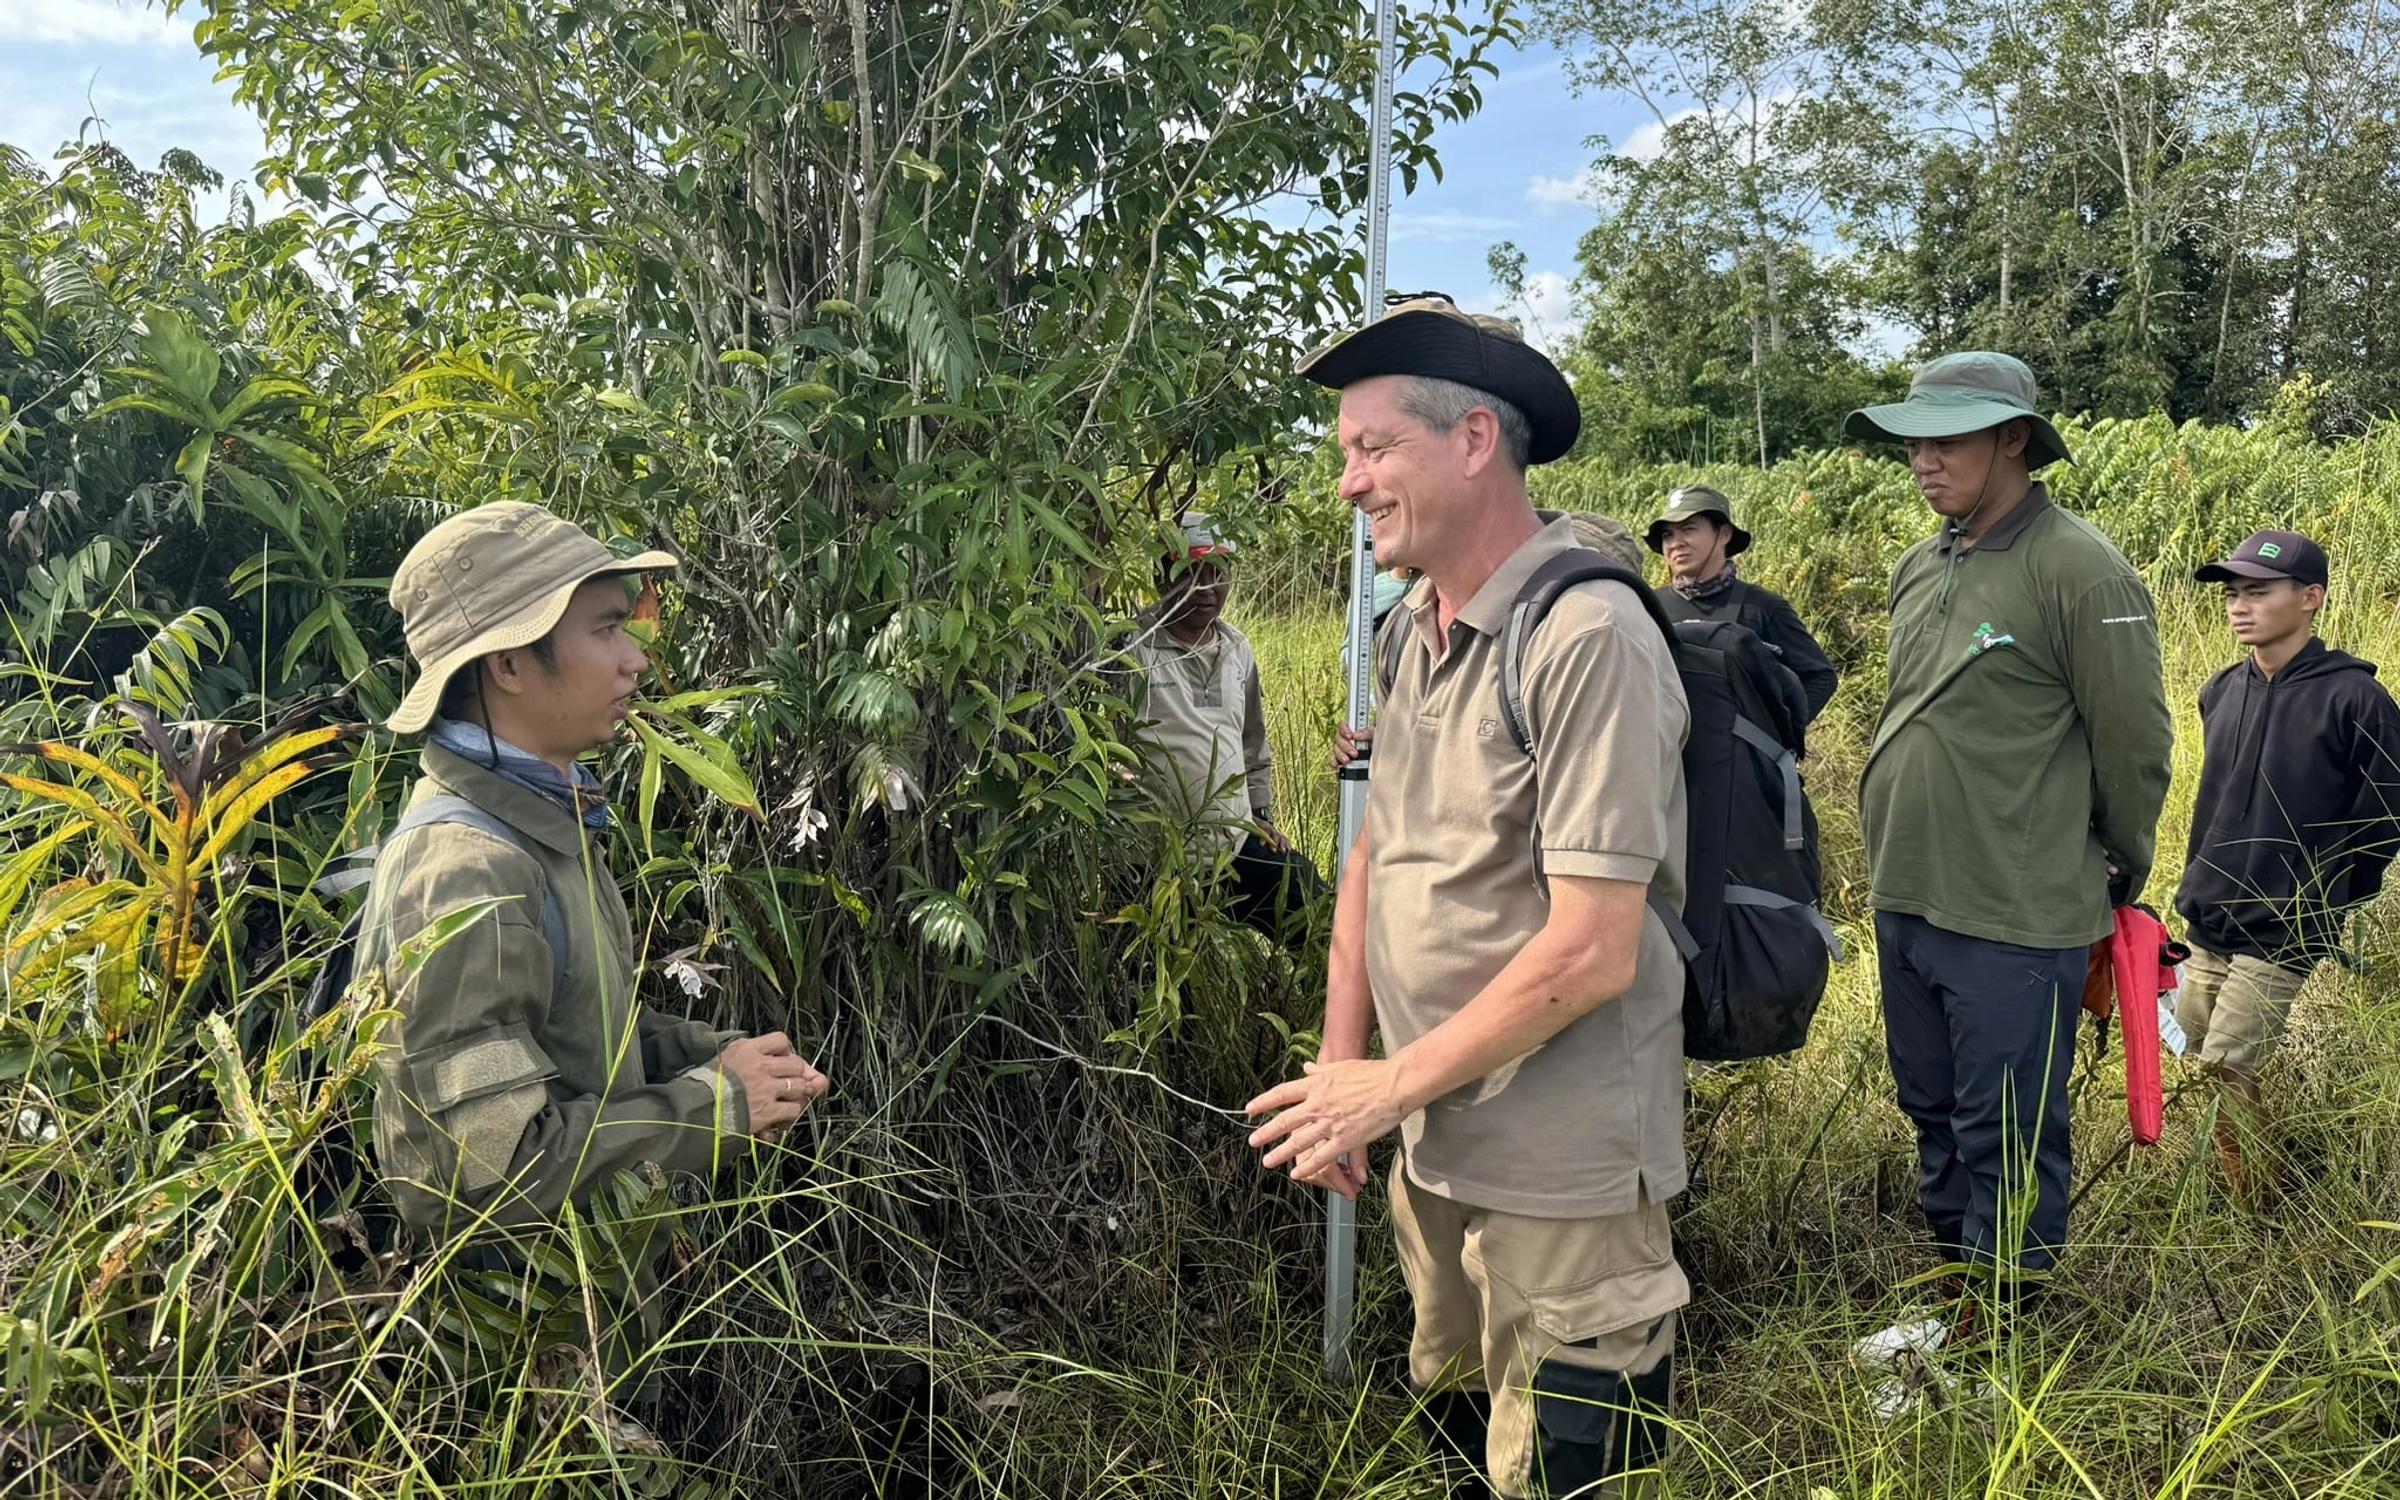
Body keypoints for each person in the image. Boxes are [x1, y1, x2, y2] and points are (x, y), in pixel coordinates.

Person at [1251, 297, 1691, 1498]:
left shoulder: (1586, 634)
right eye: (1345, 452)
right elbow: (1372, 857)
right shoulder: (1412, 633)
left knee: (1558, 1467)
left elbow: (1595, 950)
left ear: (1476, 440)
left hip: (1560, 1168)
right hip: (1430, 1135)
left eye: (1372, 447)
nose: (1348, 483)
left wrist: (1383, 1086)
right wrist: (1347, 1073)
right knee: (1453, 1417)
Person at [364, 503, 827, 1306]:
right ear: (509, 661)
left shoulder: (545, 824)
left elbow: (574, 1035)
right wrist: (709, 1108)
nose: (634, 662)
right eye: (608, 629)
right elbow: (475, 1183)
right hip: (522, 1381)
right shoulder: (469, 875)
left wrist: (708, 1056)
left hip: (588, 1325)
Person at [1844, 352, 2171, 1304]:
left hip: (2015, 910)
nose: (1924, 461)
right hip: (1908, 895)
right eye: (1915, 443)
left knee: (2010, 1127)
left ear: (2012, 439)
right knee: (1934, 1111)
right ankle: (1959, 1293)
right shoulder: (1922, 563)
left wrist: (2117, 865)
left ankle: (2009, 1329)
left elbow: (2135, 743)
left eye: (1948, 440)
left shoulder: (2079, 567)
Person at [2176, 529, 2400, 1199]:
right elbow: (2211, 801)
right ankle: (2255, 1181)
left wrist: (2326, 895)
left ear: (2310, 598)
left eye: (2258, 592)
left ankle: (2259, 1210)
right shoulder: (2222, 690)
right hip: (2210, 912)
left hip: (2286, 925)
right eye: (2232, 594)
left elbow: (2388, 810)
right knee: (2197, 1057)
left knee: (2227, 1063)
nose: (2239, 607)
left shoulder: (2354, 699)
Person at [1128, 516, 1319, 941]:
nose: (1208, 588)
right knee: (1159, 977)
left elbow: (1252, 739)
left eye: (1218, 573)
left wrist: (1261, 814)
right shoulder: (1131, 649)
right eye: (1192, 573)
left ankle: (1345, 1006)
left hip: (1233, 844)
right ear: (1163, 577)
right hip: (1155, 861)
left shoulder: (1237, 648)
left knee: (1316, 910)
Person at [1643, 484, 1840, 723]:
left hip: (1735, 758)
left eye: (1688, 529)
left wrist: (1778, 734)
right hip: (1667, 756)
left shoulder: (1762, 607)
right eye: (1667, 535)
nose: (1676, 543)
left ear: (1724, 534)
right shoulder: (1649, 606)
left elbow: (1820, 677)